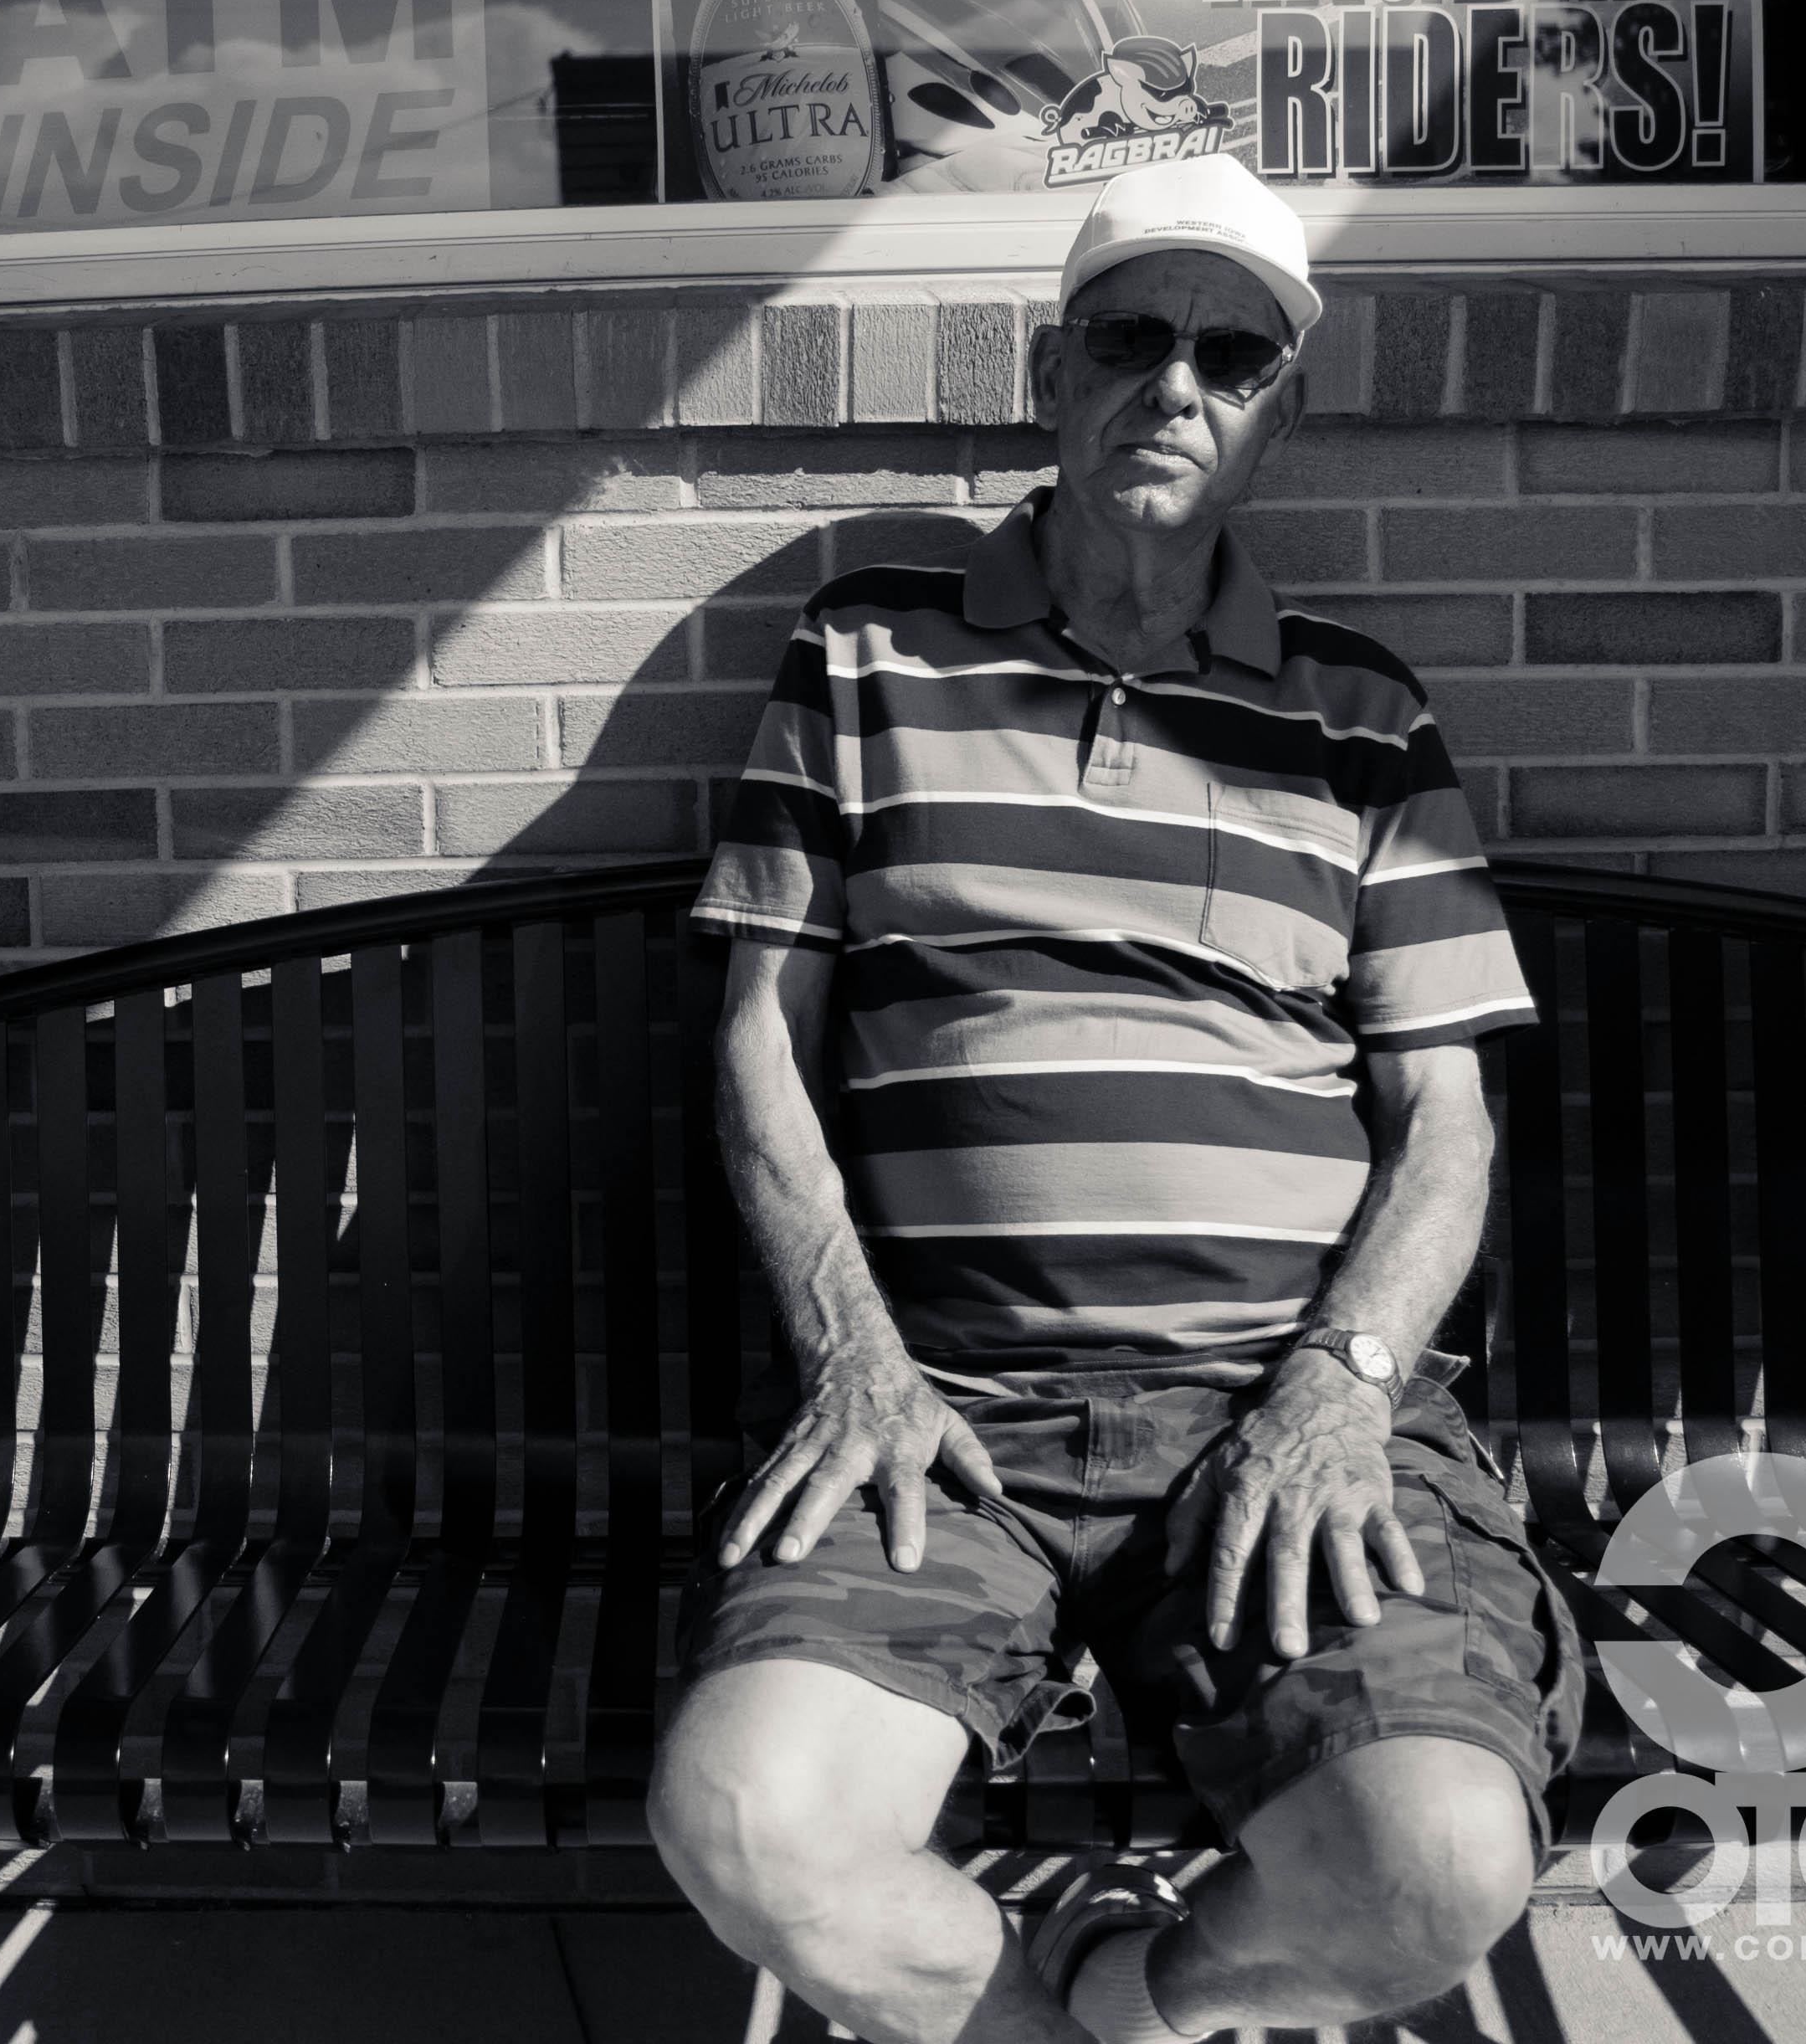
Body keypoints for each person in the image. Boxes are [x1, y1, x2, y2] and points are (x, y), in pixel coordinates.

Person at [650, 152, 1582, 2044]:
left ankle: (1139, 1991)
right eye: (1130, 336)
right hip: (944, 1417)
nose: (1175, 384)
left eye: (1232, 358)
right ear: (1048, 373)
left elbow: (1447, 1122)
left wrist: (1338, 1390)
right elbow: (759, 1036)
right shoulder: (865, 650)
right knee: (749, 1822)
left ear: (1277, 417)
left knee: (1438, 1863)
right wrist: (853, 1357)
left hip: (1275, 1407)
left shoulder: (1356, 714)